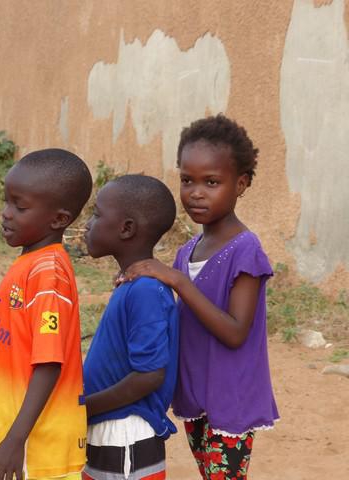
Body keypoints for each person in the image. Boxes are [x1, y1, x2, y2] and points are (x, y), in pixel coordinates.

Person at [125, 114, 279, 479]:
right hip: (196, 392)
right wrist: (141, 278)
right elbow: (180, 311)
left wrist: (177, 281)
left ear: (241, 184)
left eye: (211, 182)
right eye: (187, 180)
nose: (196, 192)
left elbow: (235, 331)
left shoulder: (246, 250)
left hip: (231, 398)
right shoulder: (189, 250)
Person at [0, 148, 92, 480]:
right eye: (6, 202)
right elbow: (14, 337)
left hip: (39, 445)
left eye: (20, 207)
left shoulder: (49, 274)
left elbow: (49, 362)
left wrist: (16, 439)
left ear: (59, 219)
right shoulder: (33, 261)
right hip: (28, 438)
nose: (6, 214)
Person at [82, 175, 179, 480]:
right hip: (110, 430)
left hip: (125, 435)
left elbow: (150, 374)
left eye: (96, 215)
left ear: (126, 228)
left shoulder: (145, 290)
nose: (87, 224)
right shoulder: (133, 283)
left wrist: (85, 407)